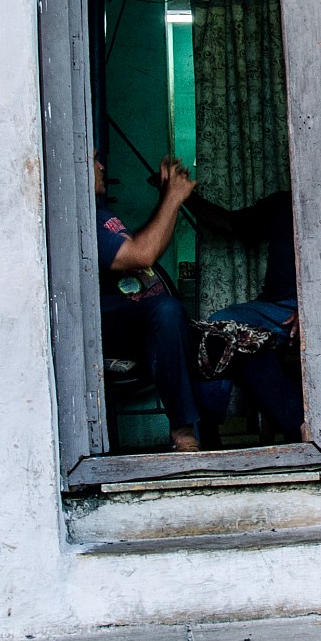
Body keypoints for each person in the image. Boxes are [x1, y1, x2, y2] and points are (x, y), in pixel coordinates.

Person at [96, 154, 213, 452]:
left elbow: (140, 243)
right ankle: (183, 430)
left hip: (141, 319)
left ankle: (212, 435)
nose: (102, 166)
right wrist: (173, 198)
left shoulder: (101, 213)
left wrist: (166, 197)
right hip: (117, 329)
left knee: (216, 337)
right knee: (168, 311)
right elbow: (142, 254)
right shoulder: (81, 219)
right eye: (93, 160)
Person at [179, 177, 306, 445]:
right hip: (274, 308)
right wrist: (182, 194)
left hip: (319, 305)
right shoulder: (280, 204)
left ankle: (301, 428)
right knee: (217, 330)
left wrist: (314, 307)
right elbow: (229, 224)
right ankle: (208, 435)